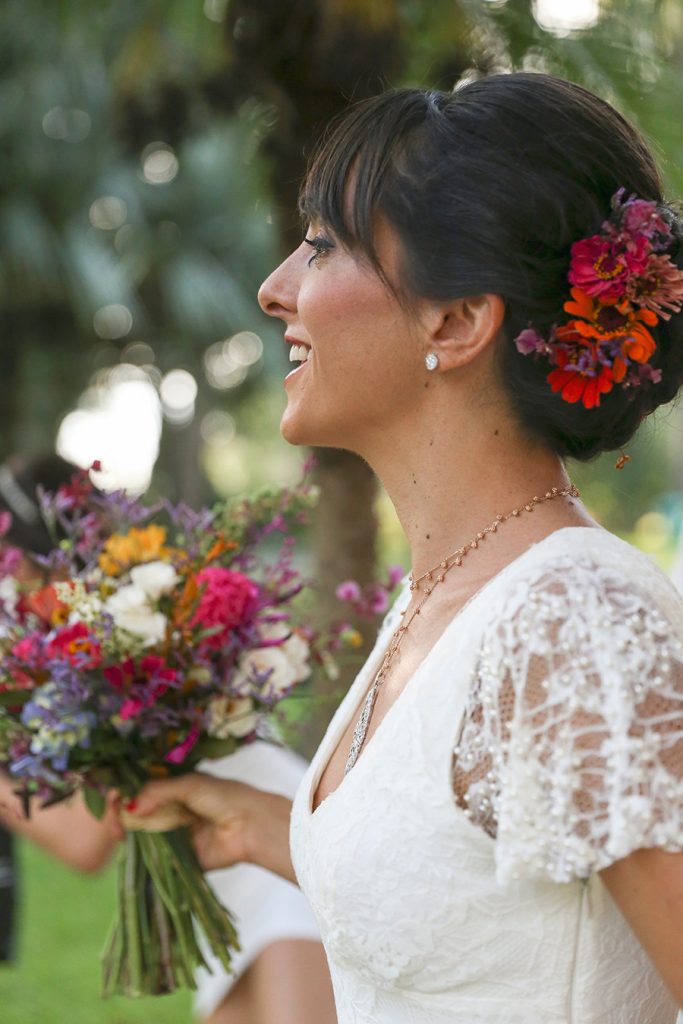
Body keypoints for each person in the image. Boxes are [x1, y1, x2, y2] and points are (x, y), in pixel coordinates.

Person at [125, 72, 682, 1022]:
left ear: (456, 320)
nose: (275, 289)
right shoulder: (448, 596)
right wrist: (267, 828)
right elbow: (473, 893)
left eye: (322, 245)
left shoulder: (573, 624)